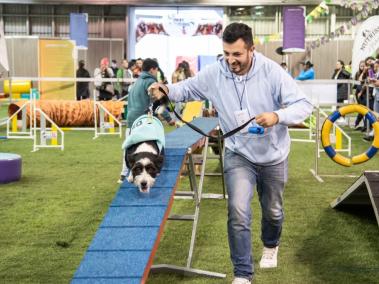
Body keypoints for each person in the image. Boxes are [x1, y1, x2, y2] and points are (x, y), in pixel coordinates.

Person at [149, 22, 313, 284]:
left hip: (273, 155)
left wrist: (277, 115)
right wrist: (166, 89)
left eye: (237, 54)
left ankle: (271, 244)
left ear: (251, 50)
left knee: (273, 212)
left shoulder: (271, 72)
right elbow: (187, 89)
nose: (230, 60)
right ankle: (243, 274)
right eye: (226, 53)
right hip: (238, 154)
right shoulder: (215, 73)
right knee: (237, 210)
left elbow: (304, 105)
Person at [118, 58, 174, 183]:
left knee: (130, 148)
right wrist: (169, 118)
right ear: (152, 69)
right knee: (154, 149)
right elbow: (157, 102)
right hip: (144, 122)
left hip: (131, 120)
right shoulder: (150, 81)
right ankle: (152, 173)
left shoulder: (137, 81)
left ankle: (124, 175)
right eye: (156, 70)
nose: (156, 73)